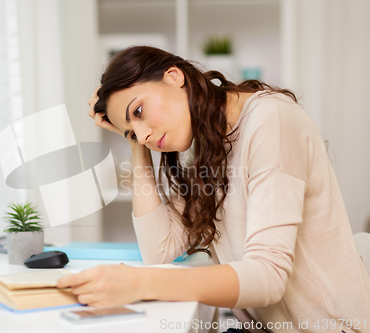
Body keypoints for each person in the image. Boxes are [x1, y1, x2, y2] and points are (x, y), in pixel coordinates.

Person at [57, 46, 370, 332]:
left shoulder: (270, 121)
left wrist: (138, 283)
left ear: (174, 76)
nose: (145, 135)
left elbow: (268, 277)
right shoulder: (210, 146)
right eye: (133, 133)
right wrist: (134, 141)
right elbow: (160, 249)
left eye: (139, 111)